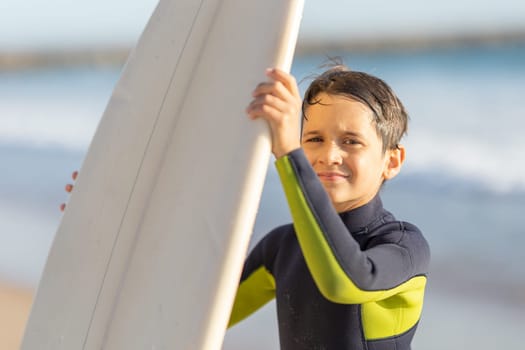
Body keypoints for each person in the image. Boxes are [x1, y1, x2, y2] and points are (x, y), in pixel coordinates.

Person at [62, 64, 430, 350]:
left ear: (392, 161)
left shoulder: (403, 248)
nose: (328, 155)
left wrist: (289, 154)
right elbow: (190, 311)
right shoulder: (283, 248)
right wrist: (109, 220)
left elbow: (348, 280)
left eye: (351, 141)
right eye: (313, 139)